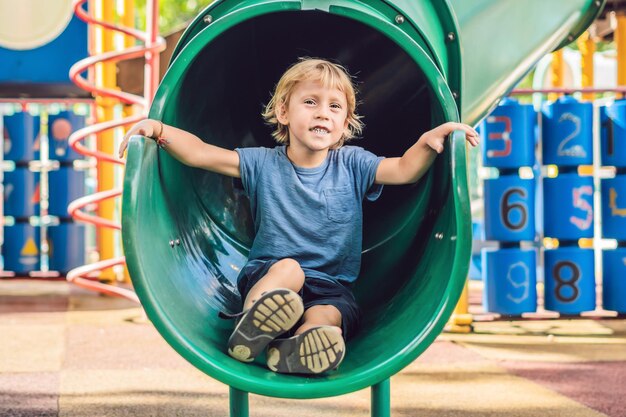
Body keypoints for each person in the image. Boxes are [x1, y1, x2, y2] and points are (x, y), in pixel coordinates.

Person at [119, 58, 479, 375]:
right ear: (283, 113)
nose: (323, 112)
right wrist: (159, 130)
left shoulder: (353, 164)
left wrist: (432, 139)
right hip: (271, 272)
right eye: (310, 102)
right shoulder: (261, 163)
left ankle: (297, 350)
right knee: (288, 270)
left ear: (345, 123)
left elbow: (404, 170)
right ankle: (254, 321)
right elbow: (202, 154)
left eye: (335, 107)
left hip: (331, 285)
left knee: (329, 320)